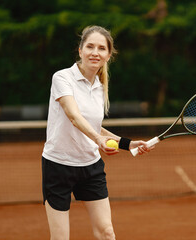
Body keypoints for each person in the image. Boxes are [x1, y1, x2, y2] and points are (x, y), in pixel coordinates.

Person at [42, 25, 151, 240]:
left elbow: (92, 125)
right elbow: (73, 116)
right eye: (90, 46)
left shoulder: (100, 86)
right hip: (58, 166)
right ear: (80, 49)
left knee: (107, 232)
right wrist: (98, 139)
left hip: (91, 167)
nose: (95, 52)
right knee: (60, 237)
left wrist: (126, 144)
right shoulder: (62, 78)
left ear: (109, 55)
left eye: (101, 48)